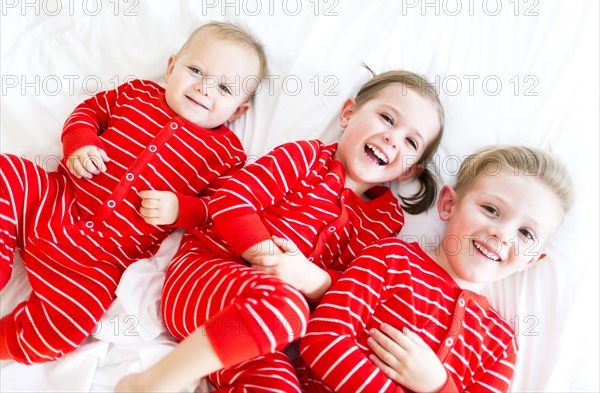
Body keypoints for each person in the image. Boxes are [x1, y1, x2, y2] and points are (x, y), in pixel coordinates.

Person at [115, 69, 446, 392]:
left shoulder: (385, 222)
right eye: (387, 119)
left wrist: (315, 281)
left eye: (410, 141)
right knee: (286, 305)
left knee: (280, 382)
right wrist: (267, 255)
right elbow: (231, 200)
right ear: (348, 113)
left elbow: (358, 293)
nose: (392, 137)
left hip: (257, 334)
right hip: (201, 279)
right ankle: (147, 384)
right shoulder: (305, 158)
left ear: (410, 171)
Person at [0, 21, 267, 364]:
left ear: (239, 111)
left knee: (63, 331)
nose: (203, 88)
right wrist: (79, 146)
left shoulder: (226, 153)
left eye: (225, 89)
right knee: (9, 170)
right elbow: (87, 113)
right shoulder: (137, 93)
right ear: (172, 67)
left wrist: (180, 209)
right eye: (196, 70)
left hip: (99, 260)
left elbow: (216, 208)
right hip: (54, 199)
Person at [297, 145, 574, 392]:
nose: (502, 234)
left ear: (531, 260)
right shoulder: (389, 258)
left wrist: (437, 387)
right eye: (491, 209)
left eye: (526, 233)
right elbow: (322, 340)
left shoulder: (499, 345)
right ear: (448, 204)